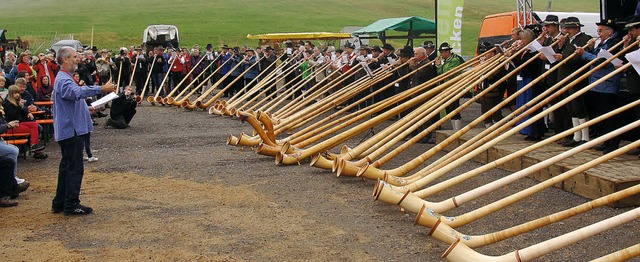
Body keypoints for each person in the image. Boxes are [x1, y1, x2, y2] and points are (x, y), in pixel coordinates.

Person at [52, 46, 115, 216]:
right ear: (65, 59)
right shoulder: (64, 79)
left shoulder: (64, 78)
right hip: (71, 131)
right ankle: (71, 204)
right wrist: (100, 89)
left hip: (69, 129)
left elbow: (70, 102)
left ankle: (60, 202)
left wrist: (86, 108)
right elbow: (75, 93)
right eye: (74, 56)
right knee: (74, 169)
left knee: (66, 167)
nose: (77, 58)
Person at [575, 18, 623, 154]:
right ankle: (605, 140)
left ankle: (612, 143)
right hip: (595, 83)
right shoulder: (602, 43)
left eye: (601, 30)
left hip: (607, 84)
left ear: (610, 31)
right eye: (598, 30)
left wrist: (585, 54)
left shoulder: (614, 42)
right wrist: (590, 49)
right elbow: (596, 56)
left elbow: (603, 61)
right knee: (599, 115)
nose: (598, 33)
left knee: (608, 116)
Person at [554, 17, 593, 147]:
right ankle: (577, 135)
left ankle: (585, 137)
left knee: (579, 107)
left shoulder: (584, 38)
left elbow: (581, 59)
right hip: (565, 77)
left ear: (576, 28)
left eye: (569, 28)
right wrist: (560, 47)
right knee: (571, 108)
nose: (567, 31)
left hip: (577, 77)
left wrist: (563, 57)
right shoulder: (568, 41)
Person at [2, 85, 47, 158]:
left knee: (34, 125)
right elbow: (13, 116)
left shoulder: (17, 102)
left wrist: (27, 111)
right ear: (11, 94)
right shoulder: (7, 104)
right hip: (11, 126)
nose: (17, 95)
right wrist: (20, 107)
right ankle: (35, 149)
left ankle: (34, 147)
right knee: (33, 129)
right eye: (15, 93)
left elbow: (22, 116)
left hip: (19, 123)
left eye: (18, 93)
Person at [435, 42, 465, 130]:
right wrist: (439, 66)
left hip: (454, 88)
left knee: (454, 109)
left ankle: (457, 130)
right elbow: (440, 74)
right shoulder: (446, 61)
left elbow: (448, 73)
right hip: (446, 88)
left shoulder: (455, 60)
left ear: (448, 51)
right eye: (440, 52)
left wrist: (439, 65)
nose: (441, 54)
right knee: (449, 110)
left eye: (442, 52)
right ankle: (454, 129)